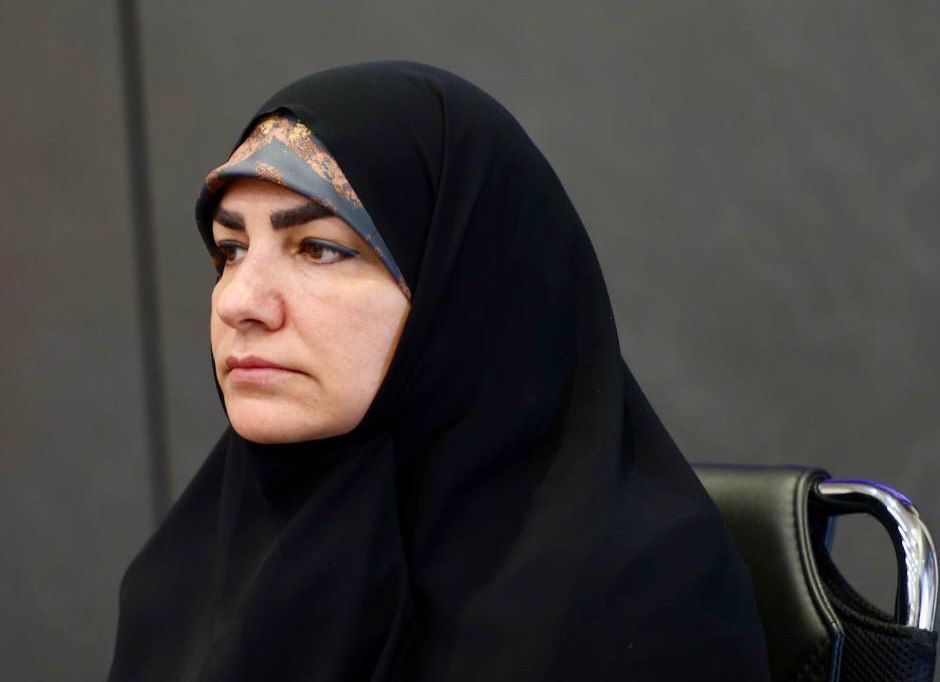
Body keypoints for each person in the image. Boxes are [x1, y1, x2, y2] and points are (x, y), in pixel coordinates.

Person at [107, 60, 772, 681]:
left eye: (318, 249)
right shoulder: (185, 576)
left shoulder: (634, 599)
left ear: (462, 289)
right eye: (230, 251)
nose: (241, 304)